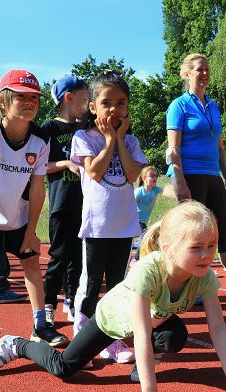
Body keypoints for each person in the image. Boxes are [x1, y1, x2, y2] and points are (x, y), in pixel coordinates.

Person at [0, 201, 226, 392]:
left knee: (175, 336)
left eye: (211, 246)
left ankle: (141, 366)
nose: (206, 255)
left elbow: (218, 330)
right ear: (168, 250)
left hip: (155, 319)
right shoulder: (148, 271)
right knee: (64, 368)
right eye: (196, 248)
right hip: (113, 320)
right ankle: (17, 344)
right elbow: (141, 333)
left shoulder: (205, 276)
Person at [0, 69, 65, 354]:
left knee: (31, 261)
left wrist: (31, 232)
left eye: (34, 98)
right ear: (2, 101)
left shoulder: (41, 139)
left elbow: (37, 188)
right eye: (21, 97)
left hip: (20, 211)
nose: (30, 103)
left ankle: (41, 325)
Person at [166, 53, 226, 302]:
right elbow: (173, 149)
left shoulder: (213, 106)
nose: (205, 73)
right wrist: (179, 180)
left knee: (224, 231)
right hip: (190, 174)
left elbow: (220, 147)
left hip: (213, 175)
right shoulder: (179, 105)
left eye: (207, 69)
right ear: (186, 74)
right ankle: (188, 289)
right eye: (199, 69)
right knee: (194, 233)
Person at [70, 70, 147, 364]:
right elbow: (94, 171)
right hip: (96, 226)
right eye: (106, 103)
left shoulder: (132, 141)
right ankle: (82, 340)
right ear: (93, 107)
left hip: (124, 226)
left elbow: (131, 174)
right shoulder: (83, 137)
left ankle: (111, 341)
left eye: (121, 102)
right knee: (90, 285)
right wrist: (108, 140)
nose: (114, 109)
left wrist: (119, 139)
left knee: (117, 287)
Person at [41, 75, 89, 325]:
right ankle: (48, 304)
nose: (87, 104)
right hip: (61, 204)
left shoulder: (85, 127)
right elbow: (38, 165)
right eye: (84, 99)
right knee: (59, 256)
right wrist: (65, 163)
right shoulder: (49, 128)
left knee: (79, 259)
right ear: (68, 98)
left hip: (86, 204)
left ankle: (72, 300)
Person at [134, 165, 163, 235]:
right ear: (144, 178)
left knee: (142, 237)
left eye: (156, 175)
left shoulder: (155, 190)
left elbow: (167, 190)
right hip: (135, 220)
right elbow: (129, 205)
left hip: (143, 221)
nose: (155, 177)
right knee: (144, 237)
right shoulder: (138, 192)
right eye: (152, 175)